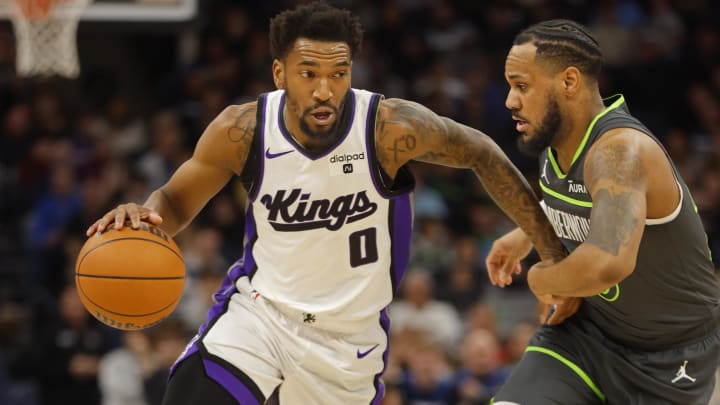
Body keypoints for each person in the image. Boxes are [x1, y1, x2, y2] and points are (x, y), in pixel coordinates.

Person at [86, 2, 566, 404]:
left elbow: (481, 152)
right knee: (194, 391)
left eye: (339, 73)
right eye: (308, 73)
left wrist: (550, 253)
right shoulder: (243, 130)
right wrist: (144, 216)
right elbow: (173, 198)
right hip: (262, 315)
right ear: (280, 74)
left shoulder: (387, 128)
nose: (324, 90)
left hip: (348, 342)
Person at [486, 19, 720, 404]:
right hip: (585, 337)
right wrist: (525, 231)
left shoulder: (621, 153)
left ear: (569, 81)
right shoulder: (557, 139)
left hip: (671, 357)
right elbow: (576, 200)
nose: (510, 100)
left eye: (522, 86)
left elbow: (606, 263)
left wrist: (543, 281)